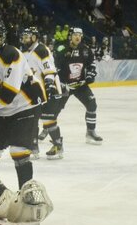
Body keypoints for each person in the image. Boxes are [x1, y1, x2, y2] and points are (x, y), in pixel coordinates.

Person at [0, 19, 46, 190]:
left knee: (19, 152)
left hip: (26, 107)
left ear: (3, 37)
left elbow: (8, 94)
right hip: (4, 111)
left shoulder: (12, 54)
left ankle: (25, 193)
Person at [39, 27, 103, 159]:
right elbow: (54, 65)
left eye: (80, 34)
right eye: (75, 34)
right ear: (70, 36)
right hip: (64, 86)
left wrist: (90, 74)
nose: (78, 37)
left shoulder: (86, 50)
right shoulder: (62, 48)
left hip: (80, 85)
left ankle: (90, 131)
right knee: (53, 111)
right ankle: (47, 129)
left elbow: (92, 65)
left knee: (92, 105)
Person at [19, 26, 59, 158]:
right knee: (31, 119)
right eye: (23, 37)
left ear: (35, 38)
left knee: (48, 120)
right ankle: (33, 146)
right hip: (31, 91)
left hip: (45, 90)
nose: (24, 39)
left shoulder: (41, 50)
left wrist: (49, 85)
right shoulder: (23, 52)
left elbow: (50, 69)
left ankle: (58, 145)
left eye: (27, 37)